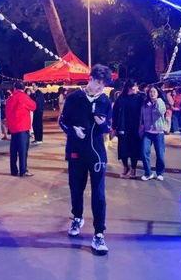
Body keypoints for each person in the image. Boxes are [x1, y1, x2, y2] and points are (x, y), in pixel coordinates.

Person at [59, 64, 113, 255]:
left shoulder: (105, 101)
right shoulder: (74, 97)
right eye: (98, 83)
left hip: (97, 154)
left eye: (103, 85)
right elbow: (62, 121)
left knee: (99, 193)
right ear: (90, 79)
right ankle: (77, 217)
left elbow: (109, 128)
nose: (100, 87)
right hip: (76, 151)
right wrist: (73, 130)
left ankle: (99, 234)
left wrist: (103, 125)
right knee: (76, 188)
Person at [112, 79, 143, 179]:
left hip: (135, 127)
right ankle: (126, 167)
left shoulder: (139, 98)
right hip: (123, 127)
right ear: (130, 87)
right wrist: (114, 127)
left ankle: (133, 169)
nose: (137, 88)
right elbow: (115, 113)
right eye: (135, 86)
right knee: (123, 149)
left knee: (134, 148)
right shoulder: (121, 98)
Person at [6, 81, 36, 176]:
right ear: (23, 88)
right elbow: (33, 106)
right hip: (22, 127)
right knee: (23, 151)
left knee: (13, 150)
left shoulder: (10, 98)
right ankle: (23, 170)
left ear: (15, 88)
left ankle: (14, 171)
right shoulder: (23, 97)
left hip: (13, 127)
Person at [139, 85, 167, 181]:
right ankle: (148, 173)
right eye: (150, 92)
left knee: (160, 154)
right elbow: (142, 116)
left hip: (158, 132)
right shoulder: (145, 103)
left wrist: (157, 101)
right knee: (144, 152)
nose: (152, 93)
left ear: (158, 93)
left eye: (154, 91)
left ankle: (160, 173)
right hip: (147, 132)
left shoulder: (160, 102)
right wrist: (141, 126)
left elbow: (161, 111)